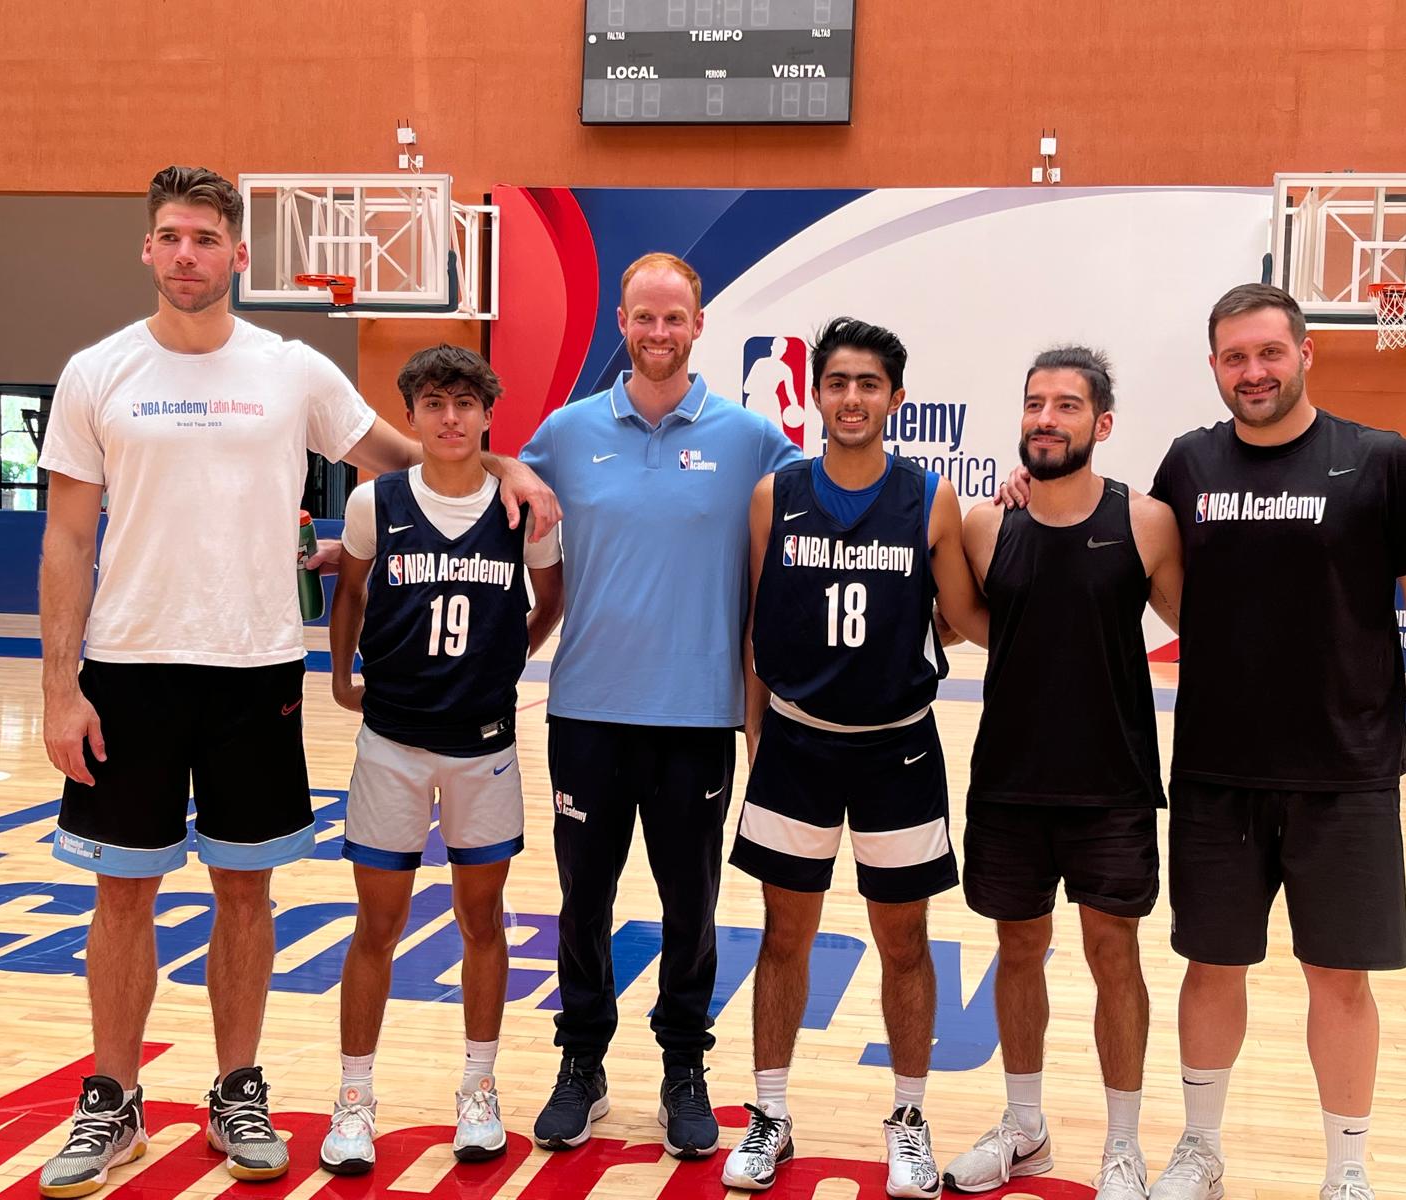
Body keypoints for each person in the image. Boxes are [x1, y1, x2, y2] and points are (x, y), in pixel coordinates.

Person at [35, 166, 554, 1199]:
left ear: (239, 254)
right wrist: (60, 687)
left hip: (256, 666)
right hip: (130, 669)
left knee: (245, 890)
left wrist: (508, 469)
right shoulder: (97, 372)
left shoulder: (292, 371)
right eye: (171, 236)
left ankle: (237, 1090)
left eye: (205, 238)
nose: (187, 254)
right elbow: (66, 538)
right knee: (122, 894)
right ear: (148, 248)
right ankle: (114, 1096)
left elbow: (413, 455)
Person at [1143, 285, 1406, 1200]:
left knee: (1340, 979)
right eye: (1234, 358)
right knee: (1212, 967)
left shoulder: (1379, 460)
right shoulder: (1189, 463)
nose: (1252, 372)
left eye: (1268, 353)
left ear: (1304, 353)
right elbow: (1154, 568)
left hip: (1347, 772)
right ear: (1215, 367)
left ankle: (1347, 1170)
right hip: (1217, 769)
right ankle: (1202, 1150)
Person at [517, 253, 802, 1158]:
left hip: (698, 716)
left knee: (691, 907)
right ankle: (583, 1064)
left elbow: (841, 494)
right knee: (582, 902)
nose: (658, 332)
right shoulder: (566, 433)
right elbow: (480, 478)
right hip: (587, 712)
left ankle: (685, 1067)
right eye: (643, 316)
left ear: (699, 325)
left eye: (674, 317)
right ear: (622, 323)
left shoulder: (750, 439)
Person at [721, 317, 989, 1198]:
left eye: (868, 384)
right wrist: (756, 734)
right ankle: (769, 1114)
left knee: (904, 941)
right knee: (783, 936)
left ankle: (908, 1119)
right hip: (796, 745)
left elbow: (964, 617)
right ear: (816, 395)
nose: (851, 398)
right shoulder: (776, 495)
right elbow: (758, 626)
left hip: (897, 750)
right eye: (837, 382)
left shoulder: (931, 499)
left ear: (895, 398)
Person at [315, 345, 564, 1175]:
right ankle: (354, 1099)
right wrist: (341, 675)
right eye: (434, 403)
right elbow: (351, 590)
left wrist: (508, 657)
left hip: (482, 746)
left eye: (464, 403)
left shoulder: (519, 508)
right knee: (377, 926)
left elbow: (550, 597)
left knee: (481, 922)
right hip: (391, 742)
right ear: (411, 415)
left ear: (488, 414)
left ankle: (478, 1090)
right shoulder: (374, 502)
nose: (450, 417)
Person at [943, 347, 1182, 1200]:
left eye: (1067, 405)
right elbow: (967, 623)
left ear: (1102, 423)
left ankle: (1123, 1145)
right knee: (1017, 951)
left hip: (1113, 785)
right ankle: (1025, 1127)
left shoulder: (1147, 522)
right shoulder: (984, 525)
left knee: (1114, 955)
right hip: (1008, 783)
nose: (1046, 418)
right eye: (1035, 403)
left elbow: (1202, 623)